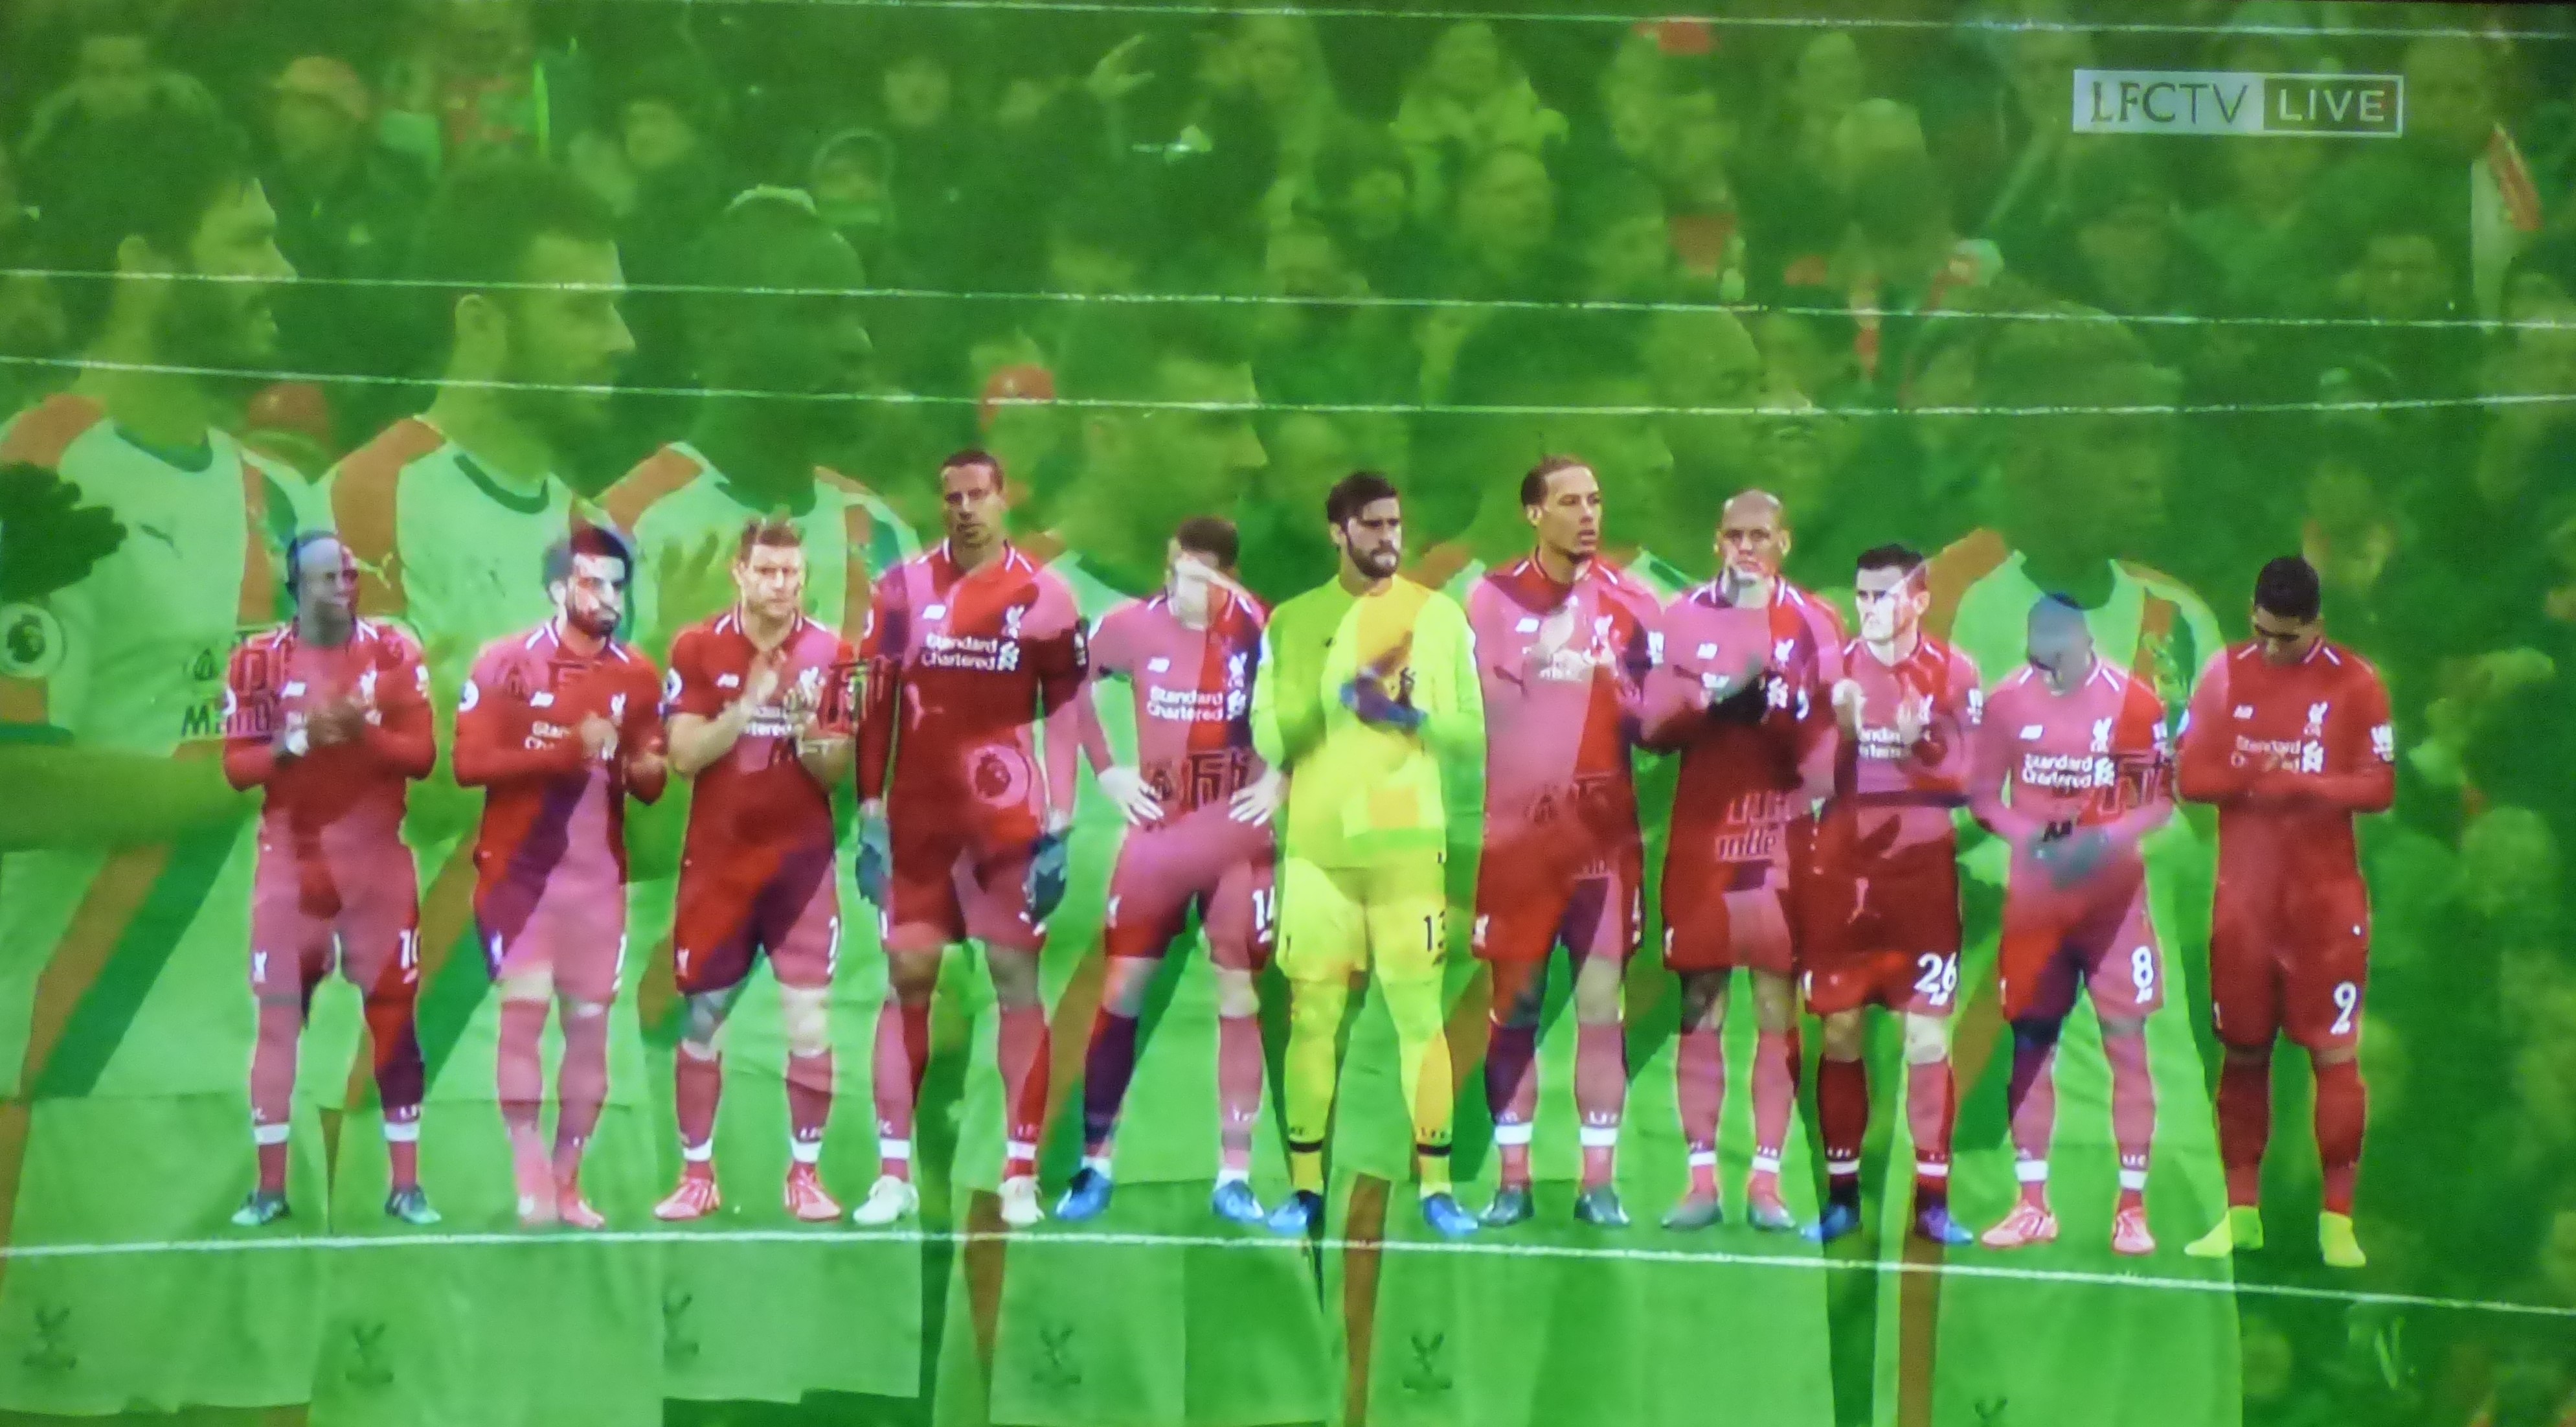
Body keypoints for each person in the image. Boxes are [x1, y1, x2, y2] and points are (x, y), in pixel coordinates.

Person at [0, 104, 308, 1419]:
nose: (283, 273)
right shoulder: (39, 472)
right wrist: (250, 765)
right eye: (247, 241)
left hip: (260, 1078)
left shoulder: (281, 500)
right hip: (89, 1074)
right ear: (143, 264)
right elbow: (15, 782)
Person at [852, 449, 1087, 1230]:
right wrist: (870, 810)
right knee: (908, 976)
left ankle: (1019, 1174)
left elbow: (1067, 712)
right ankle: (892, 1174)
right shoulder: (901, 590)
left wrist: (1061, 824)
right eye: (952, 496)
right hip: (921, 821)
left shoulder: (1045, 596)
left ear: (1003, 498)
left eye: (977, 494)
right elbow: (877, 704)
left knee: (1016, 981)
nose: (964, 508)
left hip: (1007, 823)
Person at [1252, 470, 1484, 1239]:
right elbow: (1269, 736)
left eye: (1395, 523)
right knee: (1314, 1017)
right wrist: (1333, 696)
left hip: (1409, 852)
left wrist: (1405, 714)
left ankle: (1438, 1186)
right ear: (1338, 532)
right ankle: (1305, 1188)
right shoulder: (1292, 621)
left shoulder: (1438, 617)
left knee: (1420, 1016)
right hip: (1318, 854)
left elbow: (1471, 735)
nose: (1389, 537)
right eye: (1373, 525)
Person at [1056, 516, 1280, 1224]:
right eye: (1178, 570)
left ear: (1227, 578)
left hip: (1236, 835)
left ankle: (1235, 1175)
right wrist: (1108, 770)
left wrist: (1279, 780)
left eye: (1201, 576)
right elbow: (1068, 682)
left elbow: (1307, 704)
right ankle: (1094, 1164)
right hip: (1159, 832)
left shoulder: (1258, 627)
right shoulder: (1130, 626)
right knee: (1123, 988)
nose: (1185, 587)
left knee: (1239, 994)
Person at [2178, 556, 2395, 1269]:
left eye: (2288, 637)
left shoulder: (2356, 682)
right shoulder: (2224, 674)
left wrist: (2306, 784)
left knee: (2334, 1056)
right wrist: (2252, 779)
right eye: (2262, 632)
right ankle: (2241, 1212)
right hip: (2245, 905)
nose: (2272, 648)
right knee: (2243, 1053)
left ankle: (2339, 1220)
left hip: (2323, 907)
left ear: (2317, 625)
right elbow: (2190, 774)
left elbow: (2379, 786)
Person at [1462, 456, 1658, 1229]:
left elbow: (1659, 721)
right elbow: (1473, 707)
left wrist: (1613, 683)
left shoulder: (1634, 602)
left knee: (1601, 1005)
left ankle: (1597, 1182)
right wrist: (1532, 673)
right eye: (1571, 501)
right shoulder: (1491, 598)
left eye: (1596, 501)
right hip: (1521, 841)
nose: (1588, 515)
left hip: (1604, 842)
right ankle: (1512, 1179)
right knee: (1514, 1004)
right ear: (1533, 514)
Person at [453, 523, 667, 1227]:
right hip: (519, 875)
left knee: (589, 1032)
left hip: (596, 884)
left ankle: (568, 1181)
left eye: (617, 584)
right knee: (525, 1014)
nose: (609, 597)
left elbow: (650, 783)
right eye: (592, 582)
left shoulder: (637, 674)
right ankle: (530, 1176)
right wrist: (565, 752)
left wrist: (642, 761)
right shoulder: (504, 661)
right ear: (556, 589)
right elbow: (468, 764)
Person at [223, 532, 438, 1229]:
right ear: (296, 586)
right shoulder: (257, 659)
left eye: (349, 573)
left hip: (376, 863)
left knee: (394, 1017)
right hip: (294, 862)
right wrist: (297, 740)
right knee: (280, 1020)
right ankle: (269, 1189)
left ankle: (407, 1186)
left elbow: (423, 755)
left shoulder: (395, 652)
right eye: (327, 577)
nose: (344, 586)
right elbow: (237, 767)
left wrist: (362, 732)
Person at [1641, 490, 1841, 1232]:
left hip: (1781, 835)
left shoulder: (1816, 620)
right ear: (1716, 542)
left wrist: (1782, 715)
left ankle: (1766, 1180)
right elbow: (1652, 725)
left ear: (1784, 542)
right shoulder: (1682, 615)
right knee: (1701, 1002)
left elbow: (1829, 742)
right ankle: (1700, 1181)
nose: (1746, 547)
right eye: (1734, 535)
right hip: (1703, 835)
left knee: (1774, 1005)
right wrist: (1712, 705)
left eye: (1760, 535)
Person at [650, 519, 857, 1224]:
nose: (780, 584)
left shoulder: (832, 653)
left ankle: (806, 1175)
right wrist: (745, 706)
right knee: (703, 1017)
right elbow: (683, 756)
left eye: (791, 572)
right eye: (767, 571)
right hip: (719, 867)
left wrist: (806, 730)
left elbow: (835, 770)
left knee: (809, 1021)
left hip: (801, 870)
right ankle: (696, 1175)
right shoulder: (697, 646)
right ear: (739, 573)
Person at [1969, 593, 2173, 1257]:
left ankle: (2132, 1209)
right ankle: (2032, 1204)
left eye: (2058, 656)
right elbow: (1983, 798)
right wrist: (2030, 835)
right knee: (2031, 1045)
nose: (2048, 670)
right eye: (2039, 658)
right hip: (2037, 907)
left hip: (2114, 908)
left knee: (2127, 1044)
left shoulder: (2134, 702)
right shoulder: (2006, 702)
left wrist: (2105, 839)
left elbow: (2159, 801)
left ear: (2084, 640)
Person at [1801, 543, 1981, 1246]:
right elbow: (1805, 779)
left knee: (1927, 1039)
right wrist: (1844, 736)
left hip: (1921, 882)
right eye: (1863, 595)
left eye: (1887, 595)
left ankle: (1933, 1200)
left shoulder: (1954, 672)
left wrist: (1918, 745)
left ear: (1920, 599)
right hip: (1843, 877)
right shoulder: (1830, 670)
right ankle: (1842, 1196)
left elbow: (1969, 780)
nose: (1872, 608)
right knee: (1841, 1032)